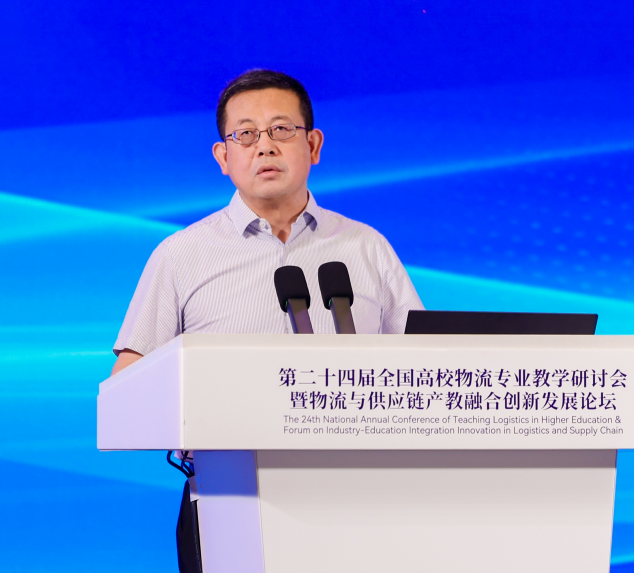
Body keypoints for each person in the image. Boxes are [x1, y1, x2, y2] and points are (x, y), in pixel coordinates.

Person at [111, 69, 423, 375]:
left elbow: (426, 365)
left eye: (282, 129)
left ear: (313, 146)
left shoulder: (368, 247)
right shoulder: (180, 255)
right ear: (223, 157)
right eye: (246, 134)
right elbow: (128, 384)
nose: (265, 147)